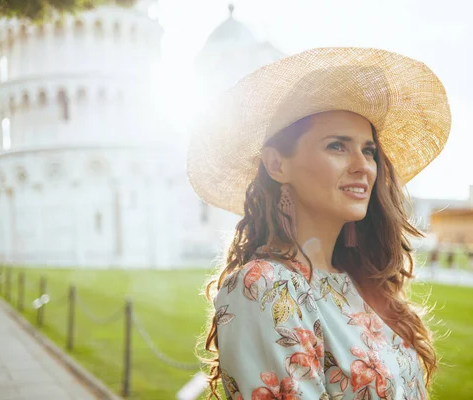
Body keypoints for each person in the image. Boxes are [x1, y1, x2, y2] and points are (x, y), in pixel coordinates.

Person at [189, 48, 450, 399]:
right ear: (277, 165)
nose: (363, 165)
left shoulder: (357, 280)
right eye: (337, 146)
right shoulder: (265, 287)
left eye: (369, 150)